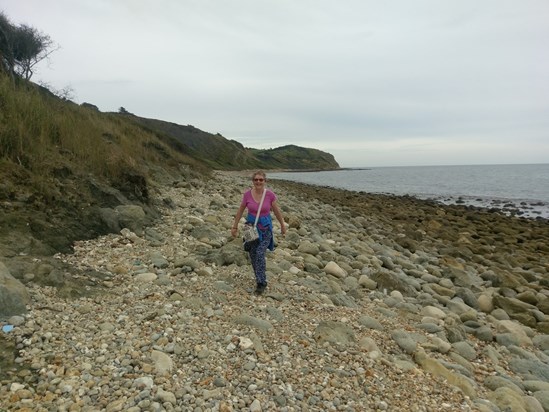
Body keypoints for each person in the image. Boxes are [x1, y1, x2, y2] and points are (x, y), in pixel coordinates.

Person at [231, 170, 286, 294]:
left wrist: (282, 225)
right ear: (253, 181)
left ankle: (262, 282)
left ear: (265, 181)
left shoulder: (270, 195)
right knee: (253, 254)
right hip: (250, 227)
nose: (258, 182)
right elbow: (240, 210)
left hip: (265, 228)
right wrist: (234, 227)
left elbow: (277, 211)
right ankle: (259, 278)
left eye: (261, 179)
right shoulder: (247, 195)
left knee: (260, 253)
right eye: (256, 179)